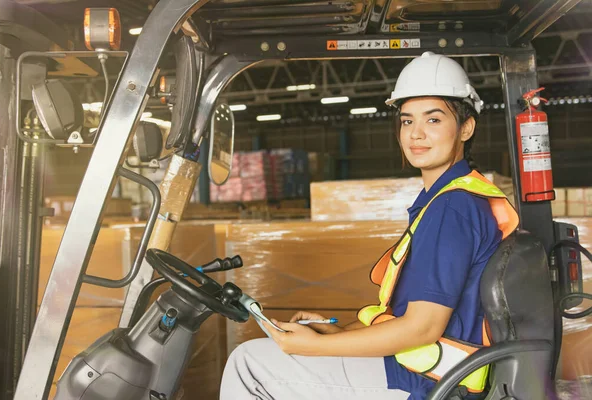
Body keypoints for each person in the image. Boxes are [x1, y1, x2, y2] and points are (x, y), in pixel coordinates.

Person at [219, 52, 518, 400]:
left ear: (466, 127)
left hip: (426, 383)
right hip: (420, 370)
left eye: (433, 120)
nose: (416, 134)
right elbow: (407, 316)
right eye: (407, 121)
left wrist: (315, 348)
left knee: (248, 362)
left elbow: (422, 327)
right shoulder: (447, 199)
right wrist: (335, 333)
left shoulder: (453, 207)